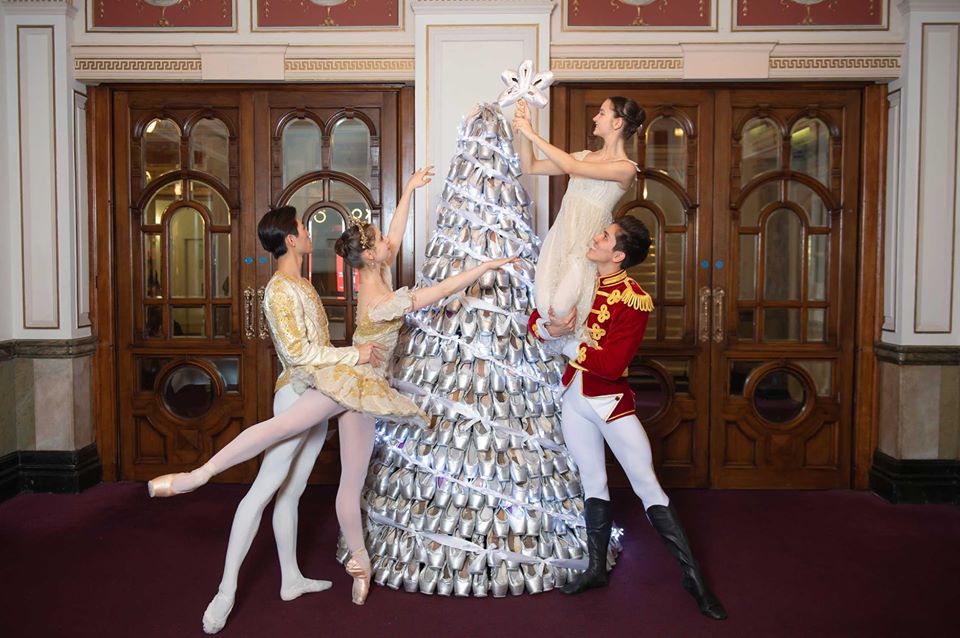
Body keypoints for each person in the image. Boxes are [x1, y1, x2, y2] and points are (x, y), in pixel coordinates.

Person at [148, 168, 515, 606]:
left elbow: (395, 238)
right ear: (372, 255)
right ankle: (197, 477)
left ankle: (359, 565)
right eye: (381, 241)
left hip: (361, 387)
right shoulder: (383, 299)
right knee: (280, 434)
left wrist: (408, 192)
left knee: (347, 486)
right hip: (348, 379)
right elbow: (439, 290)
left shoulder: (371, 275)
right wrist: (484, 266)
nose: (389, 242)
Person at [528, 217, 727, 621]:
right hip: (573, 399)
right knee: (593, 482)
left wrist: (564, 341)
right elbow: (536, 321)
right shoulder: (579, 280)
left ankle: (695, 581)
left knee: (647, 485)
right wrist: (551, 328)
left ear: (618, 255)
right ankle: (595, 569)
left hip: (610, 403)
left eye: (604, 236)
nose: (595, 236)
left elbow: (610, 363)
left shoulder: (634, 299)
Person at [513, 96, 643, 342]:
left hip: (587, 243)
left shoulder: (625, 168)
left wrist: (533, 134)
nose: (595, 117)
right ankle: (558, 345)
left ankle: (575, 352)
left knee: (564, 308)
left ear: (617, 123)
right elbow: (530, 166)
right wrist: (523, 129)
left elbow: (572, 168)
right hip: (562, 235)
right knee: (544, 305)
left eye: (602, 113)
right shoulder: (583, 156)